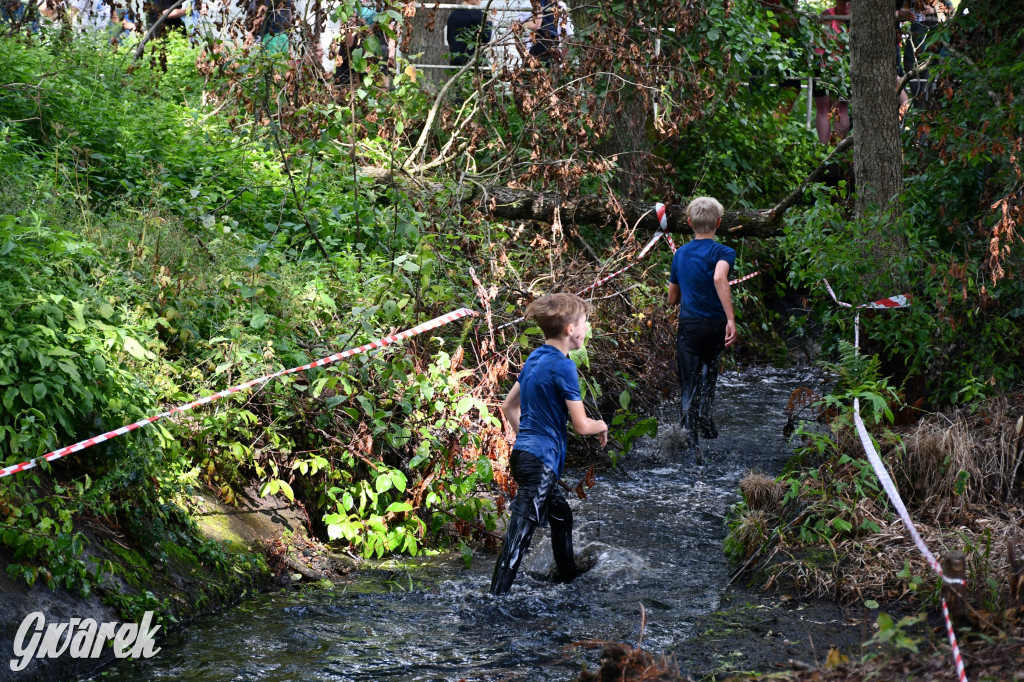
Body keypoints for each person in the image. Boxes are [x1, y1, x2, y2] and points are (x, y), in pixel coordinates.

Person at [490, 293, 608, 596]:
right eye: (585, 322)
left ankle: (568, 581)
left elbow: (508, 407)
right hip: (540, 463)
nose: (587, 327)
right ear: (571, 329)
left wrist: (528, 442)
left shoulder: (535, 357)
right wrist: (602, 425)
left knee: (561, 515)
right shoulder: (564, 366)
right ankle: (493, 603)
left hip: (524, 457)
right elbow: (582, 425)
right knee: (518, 537)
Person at [667, 197, 737, 449]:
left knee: (689, 383)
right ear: (718, 223)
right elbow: (719, 276)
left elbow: (672, 298)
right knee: (709, 371)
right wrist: (731, 318)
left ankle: (690, 441)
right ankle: (705, 415)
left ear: (689, 222)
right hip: (716, 325)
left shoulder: (680, 254)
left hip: (690, 327)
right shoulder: (724, 252)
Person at [813, 0, 850, 144]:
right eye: (843, 1)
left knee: (841, 107)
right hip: (823, 65)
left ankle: (838, 147)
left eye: (850, 1)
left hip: (845, 67)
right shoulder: (827, 16)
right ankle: (824, 149)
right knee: (823, 107)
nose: (846, 5)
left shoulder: (859, 18)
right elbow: (821, 43)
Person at [445, 0, 491, 67]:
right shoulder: (477, 14)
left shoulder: (453, 14)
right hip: (474, 63)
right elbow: (486, 39)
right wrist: (489, 22)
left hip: (456, 62)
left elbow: (449, 37)